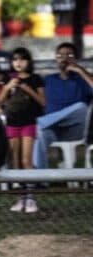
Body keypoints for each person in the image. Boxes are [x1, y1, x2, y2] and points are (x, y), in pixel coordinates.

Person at [0, 47, 45, 213]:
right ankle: (20, 197)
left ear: (28, 62)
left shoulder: (35, 79)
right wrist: (7, 87)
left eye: (22, 59)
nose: (18, 62)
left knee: (26, 160)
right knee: (15, 161)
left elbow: (42, 102)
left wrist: (27, 89)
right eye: (15, 59)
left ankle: (31, 197)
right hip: (12, 123)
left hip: (28, 123)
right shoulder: (7, 79)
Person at [32, 42, 93, 171]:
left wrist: (80, 70)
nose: (64, 58)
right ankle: (40, 180)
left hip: (76, 130)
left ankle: (40, 122)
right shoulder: (48, 80)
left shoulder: (82, 79)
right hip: (54, 130)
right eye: (60, 55)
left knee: (81, 106)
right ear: (56, 59)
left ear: (75, 59)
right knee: (40, 134)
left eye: (69, 55)